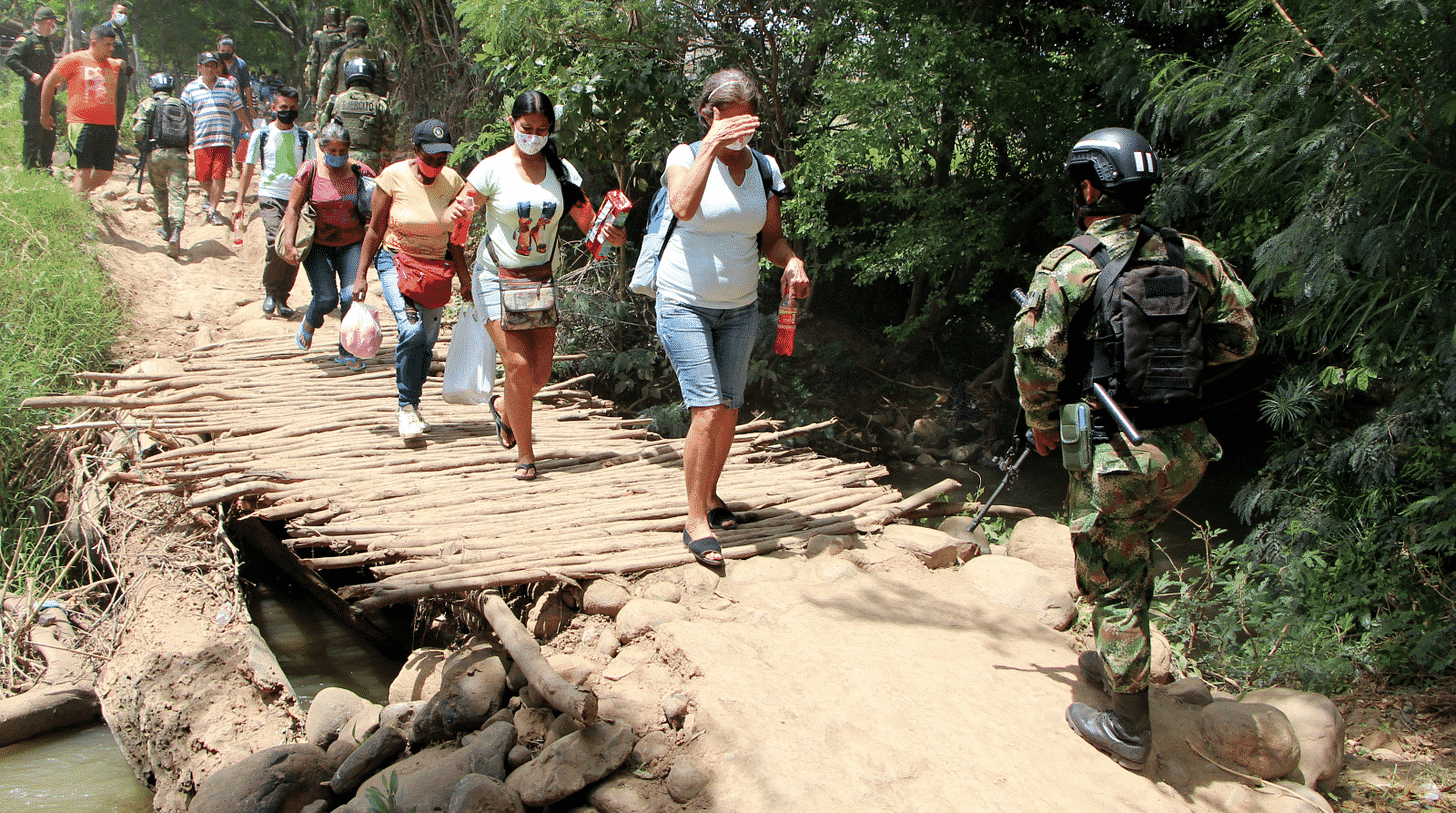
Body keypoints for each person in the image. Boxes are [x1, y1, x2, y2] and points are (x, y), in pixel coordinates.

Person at [1011, 127, 1258, 770]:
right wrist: (1176, 367)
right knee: (1133, 552)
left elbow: (1035, 360)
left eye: (1081, 182)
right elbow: (1243, 335)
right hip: (1187, 447)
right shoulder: (1189, 254)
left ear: (1093, 188)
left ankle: (1128, 727)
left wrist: (1043, 422)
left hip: (1119, 453)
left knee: (1114, 579)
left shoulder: (1069, 265)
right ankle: (1122, 660)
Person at [654, 69, 810, 564]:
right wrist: (710, 146)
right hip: (683, 300)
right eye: (731, 121)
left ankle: (710, 494)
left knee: (729, 407)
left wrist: (793, 262)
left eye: (749, 121)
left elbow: (770, 240)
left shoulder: (765, 168)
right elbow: (682, 206)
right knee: (706, 407)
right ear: (709, 114)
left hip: (739, 308)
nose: (741, 131)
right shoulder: (684, 157)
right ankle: (694, 520)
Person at [448, 91, 625, 481]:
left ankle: (504, 409)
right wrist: (453, 215)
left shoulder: (562, 172)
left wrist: (613, 233)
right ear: (512, 124)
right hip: (496, 276)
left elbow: (590, 224)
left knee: (539, 374)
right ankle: (526, 455)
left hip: (541, 279)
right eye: (526, 128)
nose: (533, 136)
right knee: (518, 365)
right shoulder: (491, 170)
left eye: (542, 130)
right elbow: (457, 218)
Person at [351, 120, 469, 441]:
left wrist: (465, 279)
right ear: (415, 150)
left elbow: (456, 239)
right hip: (396, 260)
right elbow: (375, 229)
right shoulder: (392, 178)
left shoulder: (453, 182)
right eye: (429, 158)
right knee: (412, 330)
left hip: (434, 269)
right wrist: (361, 276)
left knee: (426, 343)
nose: (435, 165)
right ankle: (405, 407)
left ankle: (413, 406)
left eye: (441, 159)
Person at [280, 119, 377, 370]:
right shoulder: (309, 171)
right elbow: (293, 208)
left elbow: (377, 207)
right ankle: (311, 320)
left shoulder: (361, 172)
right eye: (332, 151)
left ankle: (347, 350)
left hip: (352, 243)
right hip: (318, 244)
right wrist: (289, 243)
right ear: (322, 148)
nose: (338, 155)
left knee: (350, 295)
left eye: (342, 151)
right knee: (326, 298)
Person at [235, 86, 311, 317]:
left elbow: (312, 170)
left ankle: (282, 296)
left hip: (296, 199)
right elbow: (248, 168)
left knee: (293, 245)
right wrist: (239, 202)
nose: (288, 111)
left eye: (292, 107)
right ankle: (270, 291)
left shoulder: (305, 137)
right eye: (283, 107)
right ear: (274, 108)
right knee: (274, 242)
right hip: (270, 195)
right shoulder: (261, 135)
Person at [39, 24, 125, 199]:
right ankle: (81, 206)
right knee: (83, 169)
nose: (111, 48)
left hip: (108, 124)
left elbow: (122, 65)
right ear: (93, 43)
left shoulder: (113, 65)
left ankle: (76, 197)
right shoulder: (74, 60)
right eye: (107, 45)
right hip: (81, 123)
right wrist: (44, 113)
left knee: (105, 172)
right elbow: (49, 83)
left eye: (113, 45)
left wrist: (122, 64)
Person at [181, 50, 251, 226]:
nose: (210, 69)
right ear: (199, 67)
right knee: (203, 178)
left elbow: (239, 108)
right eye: (207, 66)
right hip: (201, 140)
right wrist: (185, 135)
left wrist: (250, 128)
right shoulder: (190, 89)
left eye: (213, 65)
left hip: (223, 140)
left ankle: (212, 209)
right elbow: (183, 113)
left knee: (219, 176)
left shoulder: (228, 86)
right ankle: (211, 196)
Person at [132, 72, 192, 258]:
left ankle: (166, 226)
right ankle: (176, 231)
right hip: (179, 155)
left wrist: (141, 146)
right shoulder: (182, 105)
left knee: (159, 190)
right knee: (178, 194)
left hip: (156, 154)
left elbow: (139, 129)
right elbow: (190, 134)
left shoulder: (148, 103)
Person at [5, 6, 59, 171]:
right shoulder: (28, 38)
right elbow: (10, 59)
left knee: (50, 132)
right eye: (53, 22)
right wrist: (30, 75)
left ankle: (45, 167)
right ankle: (29, 169)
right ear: (47, 22)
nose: (54, 26)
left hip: (48, 93)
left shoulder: (46, 40)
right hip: (33, 95)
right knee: (33, 132)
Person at [321, 58, 395, 173]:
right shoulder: (379, 103)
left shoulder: (336, 101)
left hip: (341, 157)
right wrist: (386, 158)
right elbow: (388, 134)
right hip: (370, 160)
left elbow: (323, 128)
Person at [316, 16, 396, 112]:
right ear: (366, 32)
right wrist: (380, 89)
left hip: (343, 107)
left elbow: (326, 83)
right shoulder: (380, 53)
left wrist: (321, 108)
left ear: (346, 32)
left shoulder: (337, 54)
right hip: (374, 106)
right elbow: (394, 78)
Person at [215, 36, 254, 174]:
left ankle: (239, 159)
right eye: (222, 51)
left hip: (238, 106)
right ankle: (227, 165)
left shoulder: (240, 65)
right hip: (220, 106)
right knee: (225, 135)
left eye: (228, 51)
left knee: (239, 134)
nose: (225, 53)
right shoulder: (214, 62)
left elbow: (246, 87)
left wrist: (251, 108)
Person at [99, 3, 132, 137]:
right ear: (113, 12)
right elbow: (98, 53)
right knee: (107, 111)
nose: (123, 16)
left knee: (119, 111)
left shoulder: (121, 32)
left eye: (125, 13)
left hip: (121, 77)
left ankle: (114, 141)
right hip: (108, 77)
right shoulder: (105, 29)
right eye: (120, 12)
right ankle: (103, 142)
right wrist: (114, 62)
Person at [305, 6, 346, 105]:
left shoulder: (319, 38)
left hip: (323, 87)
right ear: (339, 19)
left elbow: (313, 66)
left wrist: (312, 92)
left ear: (325, 20)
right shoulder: (347, 38)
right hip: (344, 86)